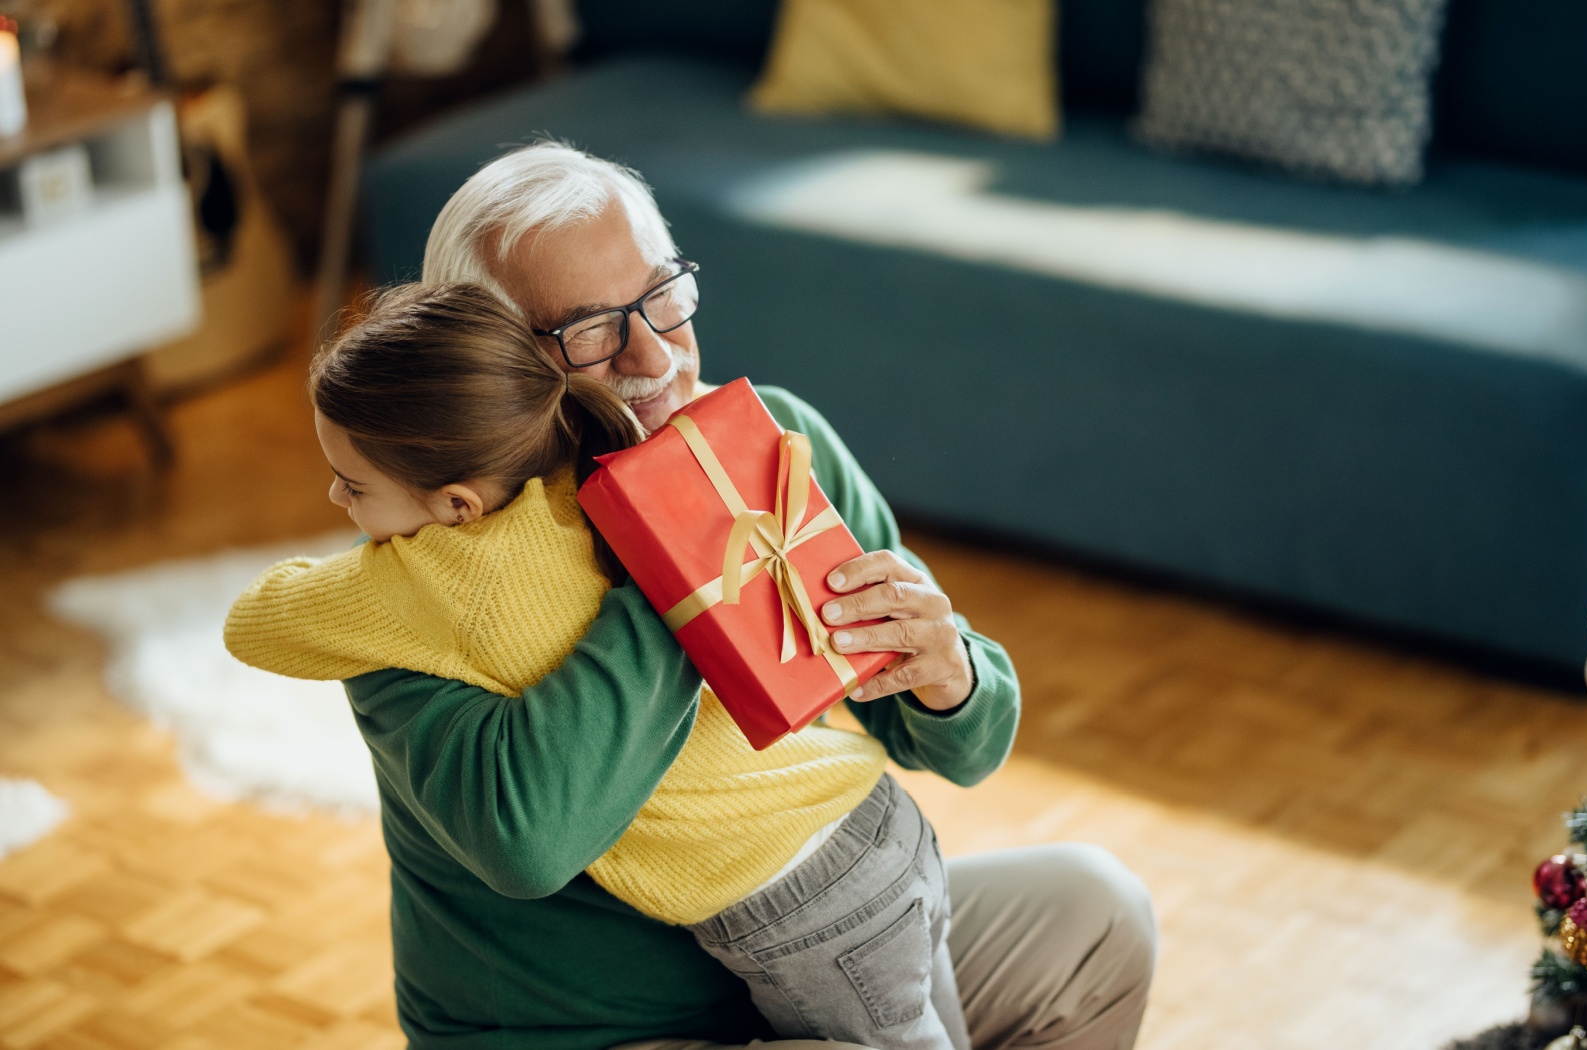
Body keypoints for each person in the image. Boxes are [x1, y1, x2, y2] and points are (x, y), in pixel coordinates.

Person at [334, 140, 1155, 1050]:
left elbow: (964, 750)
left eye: (661, 299)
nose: (653, 355)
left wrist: (948, 674)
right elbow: (525, 845)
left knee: (1096, 914)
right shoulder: (419, 567)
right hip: (590, 1034)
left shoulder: (776, 442)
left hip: (807, 950)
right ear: (493, 359)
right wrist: (679, 559)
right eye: (590, 331)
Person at [224, 281, 970, 1050]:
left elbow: (253, 623)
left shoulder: (425, 580)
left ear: (456, 506)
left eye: (352, 485)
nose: (335, 496)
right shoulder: (604, 489)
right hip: (876, 817)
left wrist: (373, 560)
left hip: (808, 910)